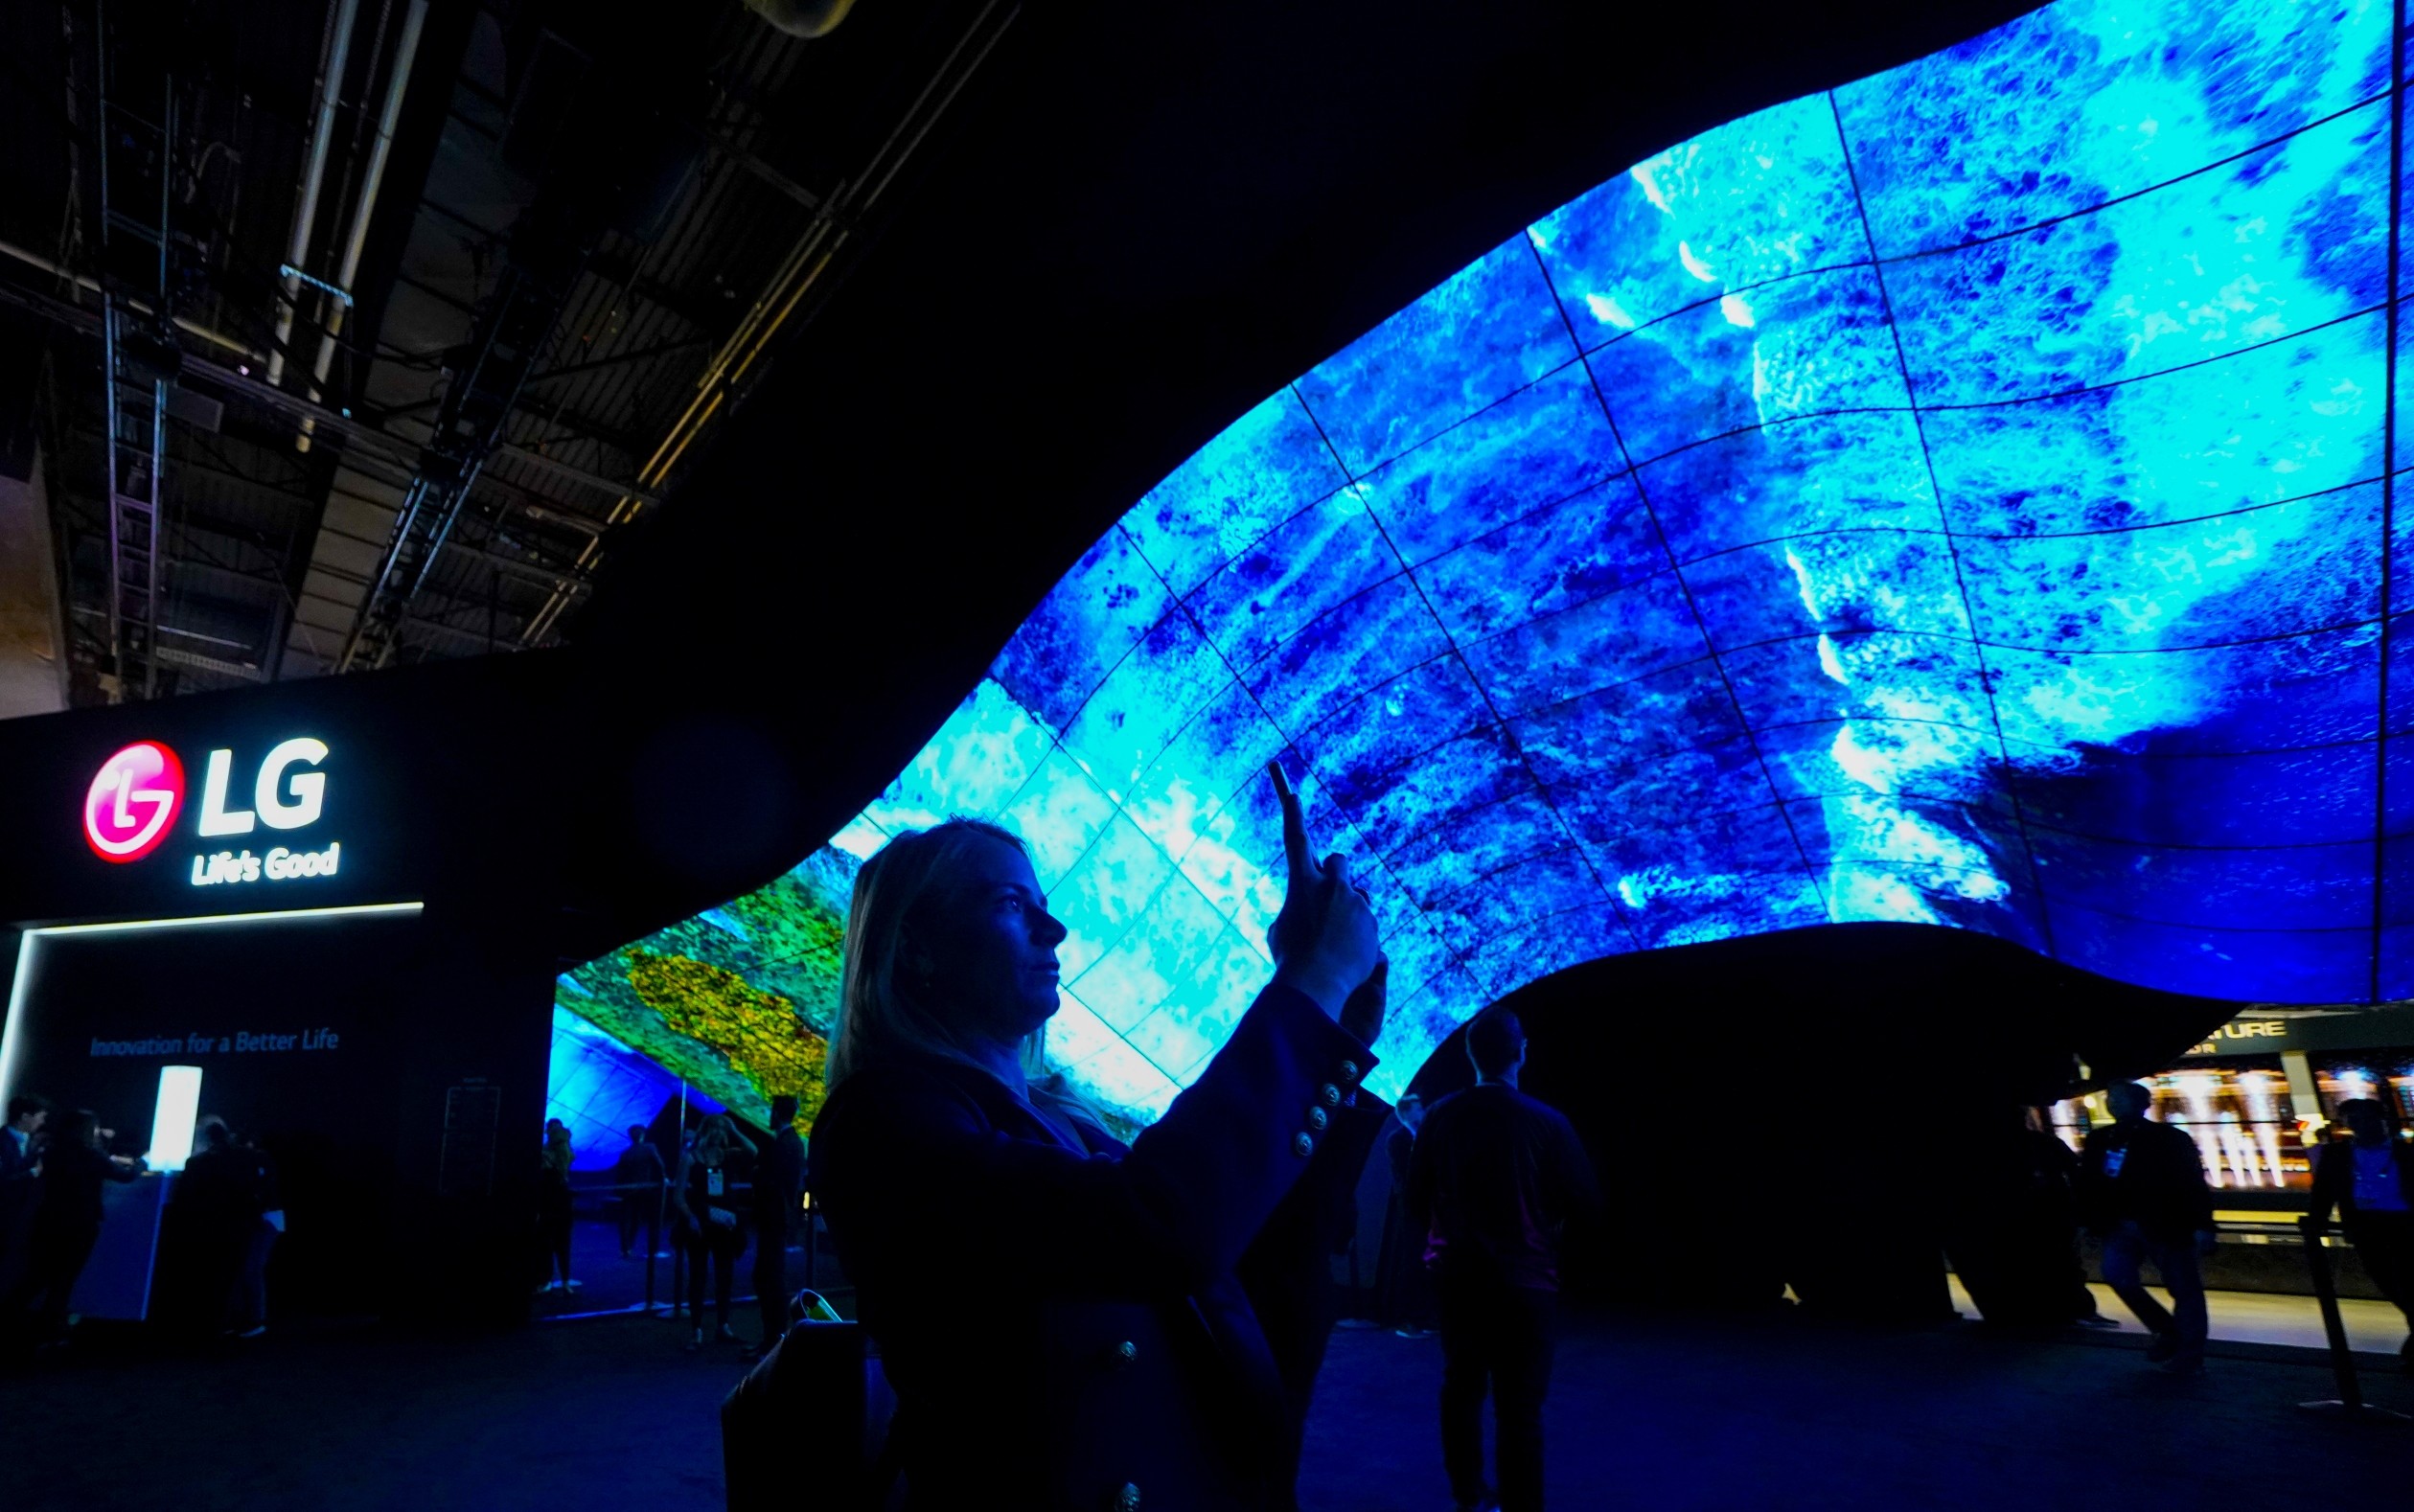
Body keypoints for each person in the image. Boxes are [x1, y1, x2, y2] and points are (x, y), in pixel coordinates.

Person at [811, 762, 1389, 1511]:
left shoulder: (1070, 1123)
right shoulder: (880, 1126)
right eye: (1012, 903)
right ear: (914, 947)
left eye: (1043, 905)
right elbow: (1156, 1224)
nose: (1055, 928)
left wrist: (1331, 1030)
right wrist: (1309, 987)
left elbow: (1253, 1270)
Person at [1408, 1006, 1601, 1512]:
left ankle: (1468, 1497)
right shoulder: (1549, 1123)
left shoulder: (1438, 1118)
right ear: (1522, 1053)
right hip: (1527, 1283)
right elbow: (1586, 1203)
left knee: (1461, 1387)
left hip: (1457, 1279)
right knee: (1521, 1409)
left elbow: (1414, 1200)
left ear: (1470, 1054)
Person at [2078, 1081, 2216, 1375]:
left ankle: (2186, 1351)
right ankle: (2172, 1333)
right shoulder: (2101, 1139)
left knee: (2183, 1288)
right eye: (2111, 1097)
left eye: (2119, 1098)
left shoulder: (2167, 1138)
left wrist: (2204, 1223)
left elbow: (2192, 1182)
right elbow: (2090, 1183)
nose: (2112, 1103)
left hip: (2165, 1223)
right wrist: (2090, 1220)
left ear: (2141, 1104)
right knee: (2120, 1277)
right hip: (2123, 1223)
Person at [7, 1110, 144, 1344]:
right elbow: (125, 1176)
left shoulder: (52, 1152)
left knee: (35, 1276)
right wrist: (142, 1162)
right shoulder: (92, 1155)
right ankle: (47, 1331)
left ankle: (9, 1319)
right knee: (64, 1280)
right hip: (80, 1225)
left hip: (48, 1222)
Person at [2309, 1097, 2414, 1372]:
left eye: (2365, 1119)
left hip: (2405, 1227)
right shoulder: (2337, 1154)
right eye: (2353, 1121)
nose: (2360, 1126)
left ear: (2383, 1121)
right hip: (2366, 1229)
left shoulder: (2406, 1153)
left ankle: (2412, 1352)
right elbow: (2323, 1192)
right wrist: (2316, 1219)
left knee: (2407, 1288)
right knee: (2392, 1286)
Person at [672, 1113, 750, 1348]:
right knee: (698, 1276)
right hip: (700, 1222)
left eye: (721, 1128)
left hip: (725, 1222)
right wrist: (691, 1218)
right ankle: (696, 1329)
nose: (718, 1132)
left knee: (725, 1275)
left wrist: (734, 1129)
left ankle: (723, 1325)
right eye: (714, 1127)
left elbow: (752, 1151)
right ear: (705, 1130)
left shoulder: (726, 1156)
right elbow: (678, 1196)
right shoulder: (690, 1158)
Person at [745, 1094, 806, 1357]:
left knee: (769, 1277)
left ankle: (774, 1339)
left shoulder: (783, 1144)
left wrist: (758, 1175)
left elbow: (772, 1182)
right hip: (778, 1217)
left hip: (774, 1216)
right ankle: (772, 1338)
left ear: (777, 1114)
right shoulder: (791, 1142)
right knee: (768, 1276)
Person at [1379, 1091, 1439, 1337]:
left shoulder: (1431, 1137)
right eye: (1415, 1117)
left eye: (1421, 1114)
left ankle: (1427, 1318)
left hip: (1433, 1208)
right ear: (1404, 1116)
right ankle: (1410, 1318)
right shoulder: (1397, 1141)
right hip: (1413, 1209)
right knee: (1413, 1261)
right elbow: (1405, 1180)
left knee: (1431, 1262)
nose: (1420, 1118)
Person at [0, 1094, 49, 1305]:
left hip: (23, 1219)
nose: (42, 1122)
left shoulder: (34, 1143)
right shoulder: (2, 1141)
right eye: (39, 1117)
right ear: (25, 1116)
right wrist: (32, 1173)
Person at [613, 1124, 667, 1259]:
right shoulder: (647, 1148)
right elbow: (660, 1166)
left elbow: (620, 1174)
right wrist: (663, 1179)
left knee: (632, 1220)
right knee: (648, 1220)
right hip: (642, 1190)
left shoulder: (627, 1153)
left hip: (634, 1190)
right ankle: (635, 1248)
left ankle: (628, 1248)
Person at [538, 1119, 578, 1294]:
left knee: (547, 1243)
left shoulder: (547, 1155)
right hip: (562, 1203)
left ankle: (548, 1280)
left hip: (549, 1202)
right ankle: (564, 1280)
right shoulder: (566, 1153)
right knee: (562, 1244)